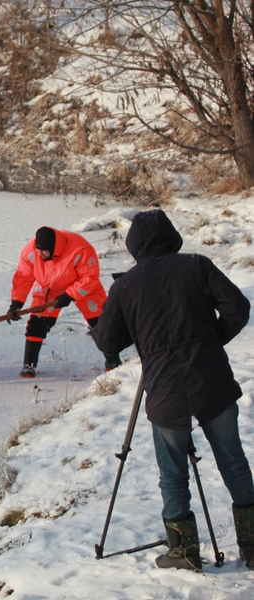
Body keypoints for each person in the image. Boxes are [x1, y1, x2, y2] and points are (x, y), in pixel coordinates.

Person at [91, 209, 253, 572]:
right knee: (233, 460)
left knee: (173, 471)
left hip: (165, 388)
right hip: (212, 379)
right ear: (172, 236)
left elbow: (106, 340)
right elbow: (238, 309)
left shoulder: (125, 286)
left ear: (134, 246)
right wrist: (212, 340)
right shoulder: (196, 265)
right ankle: (253, 544)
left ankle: (184, 551)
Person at [6, 225, 120, 377]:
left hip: (83, 286)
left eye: (44, 251)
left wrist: (69, 295)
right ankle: (29, 365)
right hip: (49, 286)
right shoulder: (31, 251)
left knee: (99, 322)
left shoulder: (80, 248)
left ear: (54, 248)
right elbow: (23, 277)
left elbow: (90, 277)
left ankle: (113, 361)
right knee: (37, 322)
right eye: (38, 250)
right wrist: (16, 303)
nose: (40, 254)